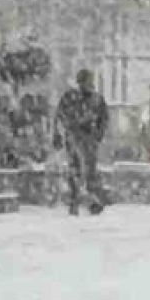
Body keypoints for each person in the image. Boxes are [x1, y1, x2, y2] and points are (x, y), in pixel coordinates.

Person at [55, 69, 108, 216]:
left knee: (88, 169)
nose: (85, 85)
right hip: (75, 136)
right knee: (77, 168)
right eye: (84, 82)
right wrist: (62, 132)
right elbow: (60, 116)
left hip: (86, 137)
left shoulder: (95, 99)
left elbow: (103, 119)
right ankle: (77, 199)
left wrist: (97, 134)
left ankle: (89, 199)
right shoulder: (71, 97)